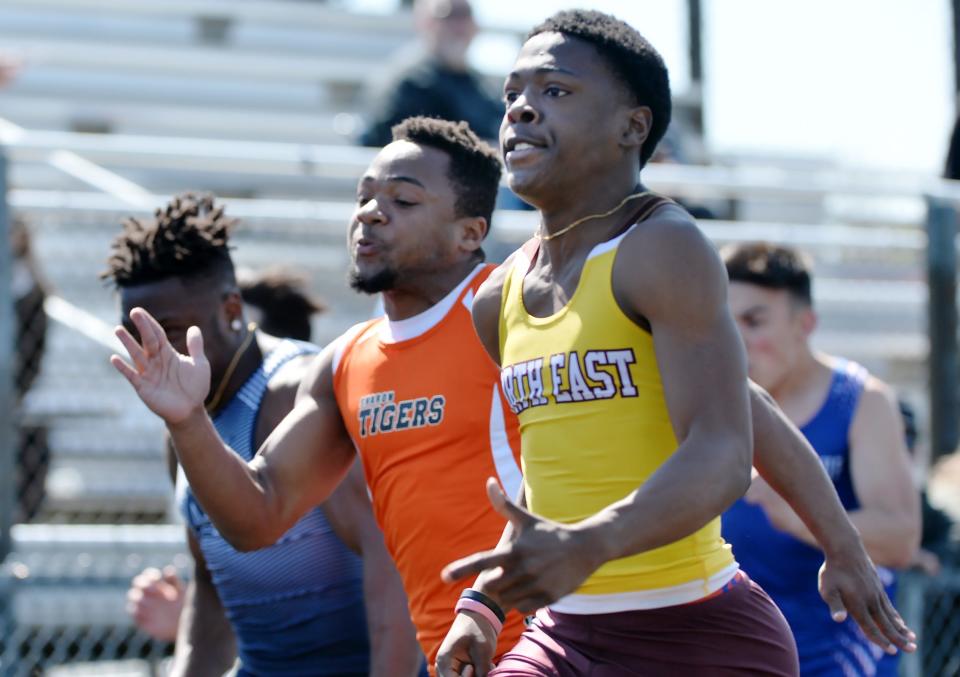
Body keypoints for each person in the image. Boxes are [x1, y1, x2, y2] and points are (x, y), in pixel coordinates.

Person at [111, 118, 914, 676]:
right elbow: (255, 516)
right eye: (363, 194)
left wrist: (843, 543)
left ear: (469, 232)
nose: (370, 212)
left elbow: (742, 407)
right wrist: (186, 421)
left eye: (402, 199)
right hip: (470, 649)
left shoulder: (525, 304)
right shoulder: (347, 361)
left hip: (572, 638)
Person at [436, 11, 916, 676]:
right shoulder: (497, 298)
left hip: (700, 635)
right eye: (513, 92)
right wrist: (485, 603)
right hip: (564, 638)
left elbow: (724, 448)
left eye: (555, 91)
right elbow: (557, 489)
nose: (520, 109)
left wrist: (844, 545)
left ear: (632, 126)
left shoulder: (662, 245)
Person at [103, 194, 422, 677]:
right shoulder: (185, 427)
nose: (154, 353)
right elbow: (213, 594)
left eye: (167, 330)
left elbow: (392, 565)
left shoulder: (300, 395)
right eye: (137, 333)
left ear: (232, 309)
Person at [720, 243, 920, 676]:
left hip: (835, 657)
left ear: (804, 323)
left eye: (754, 322)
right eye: (726, 322)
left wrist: (795, 504)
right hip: (734, 652)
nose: (737, 339)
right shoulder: (710, 398)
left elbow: (901, 538)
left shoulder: (861, 401)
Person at [127, 265, 328, 644]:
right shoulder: (187, 429)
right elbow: (217, 584)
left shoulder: (300, 403)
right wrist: (191, 627)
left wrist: (183, 622)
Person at [358, 0, 502, 148]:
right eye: (448, 15)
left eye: (466, 14)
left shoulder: (486, 89)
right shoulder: (408, 84)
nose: (459, 25)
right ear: (425, 23)